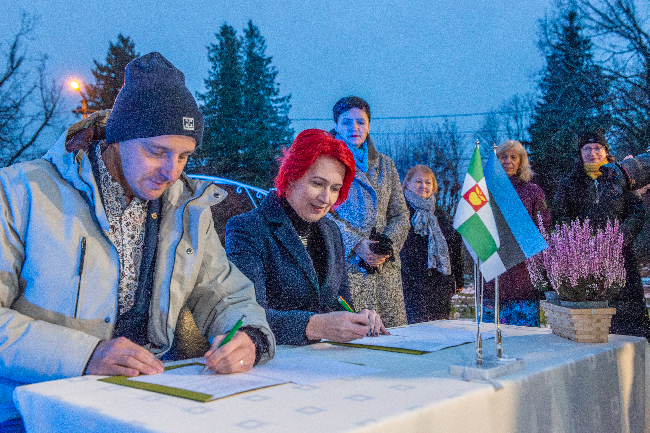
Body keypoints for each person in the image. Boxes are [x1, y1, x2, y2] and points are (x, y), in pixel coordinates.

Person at [0, 52, 275, 429]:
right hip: (29, 411)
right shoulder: (20, 193)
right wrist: (86, 354)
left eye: (184, 156)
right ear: (117, 139)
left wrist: (248, 336)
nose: (171, 172)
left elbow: (225, 293)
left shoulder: (187, 209)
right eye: (156, 152)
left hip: (140, 405)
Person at [225, 129, 388, 345]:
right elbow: (246, 316)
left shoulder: (331, 231)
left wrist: (358, 318)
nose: (326, 198)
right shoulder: (247, 228)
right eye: (317, 184)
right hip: (273, 359)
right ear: (291, 177)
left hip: (327, 358)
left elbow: (340, 303)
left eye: (335, 188)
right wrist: (316, 326)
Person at [552, 129, 650, 339]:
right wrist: (579, 240)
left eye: (598, 148)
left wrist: (621, 236)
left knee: (629, 318)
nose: (593, 153)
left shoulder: (620, 177)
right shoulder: (569, 183)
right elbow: (560, 216)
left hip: (620, 257)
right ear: (580, 153)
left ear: (606, 151)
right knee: (594, 322)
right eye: (587, 148)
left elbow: (637, 211)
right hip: (584, 262)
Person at [326, 96, 410, 327]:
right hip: (348, 265)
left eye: (360, 122)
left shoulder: (386, 164)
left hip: (384, 270)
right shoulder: (327, 162)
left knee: (393, 337)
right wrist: (355, 243)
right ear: (336, 125)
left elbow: (400, 214)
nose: (354, 128)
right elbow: (323, 213)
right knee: (355, 335)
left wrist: (386, 246)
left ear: (369, 125)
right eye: (347, 122)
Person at [481, 140, 551, 326]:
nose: (508, 161)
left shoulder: (533, 191)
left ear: (521, 162)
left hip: (524, 275)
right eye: (503, 157)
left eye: (513, 157)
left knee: (524, 336)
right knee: (491, 334)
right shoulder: (484, 191)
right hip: (493, 270)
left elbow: (543, 228)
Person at [400, 165, 464, 323]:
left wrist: (458, 278)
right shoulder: (399, 213)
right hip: (408, 287)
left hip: (439, 289)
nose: (423, 186)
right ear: (407, 184)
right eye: (418, 181)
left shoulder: (441, 216)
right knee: (412, 332)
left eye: (428, 182)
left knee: (438, 332)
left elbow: (455, 248)